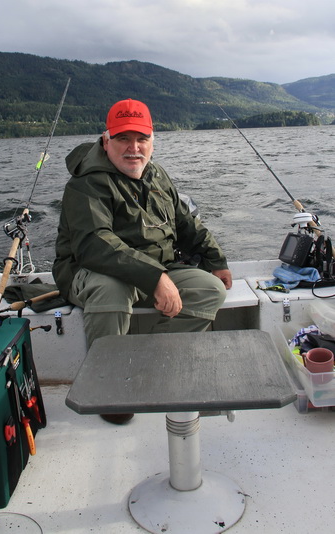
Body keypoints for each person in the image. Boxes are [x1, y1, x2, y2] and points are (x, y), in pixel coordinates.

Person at [53, 98, 232, 424]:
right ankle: (109, 390)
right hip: (90, 270)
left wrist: (215, 259)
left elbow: (185, 224)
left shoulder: (157, 175)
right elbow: (94, 244)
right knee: (112, 290)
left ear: (152, 141)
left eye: (142, 139)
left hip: (153, 267)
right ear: (106, 141)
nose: (133, 148)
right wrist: (156, 278)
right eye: (123, 138)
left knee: (209, 290)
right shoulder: (86, 182)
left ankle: (158, 366)